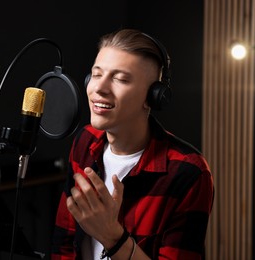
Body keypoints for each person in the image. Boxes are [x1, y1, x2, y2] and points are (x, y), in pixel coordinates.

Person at [51, 28, 214, 260]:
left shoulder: (188, 172)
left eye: (120, 79)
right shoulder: (84, 142)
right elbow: (63, 245)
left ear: (153, 97)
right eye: (96, 74)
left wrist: (113, 238)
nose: (99, 88)